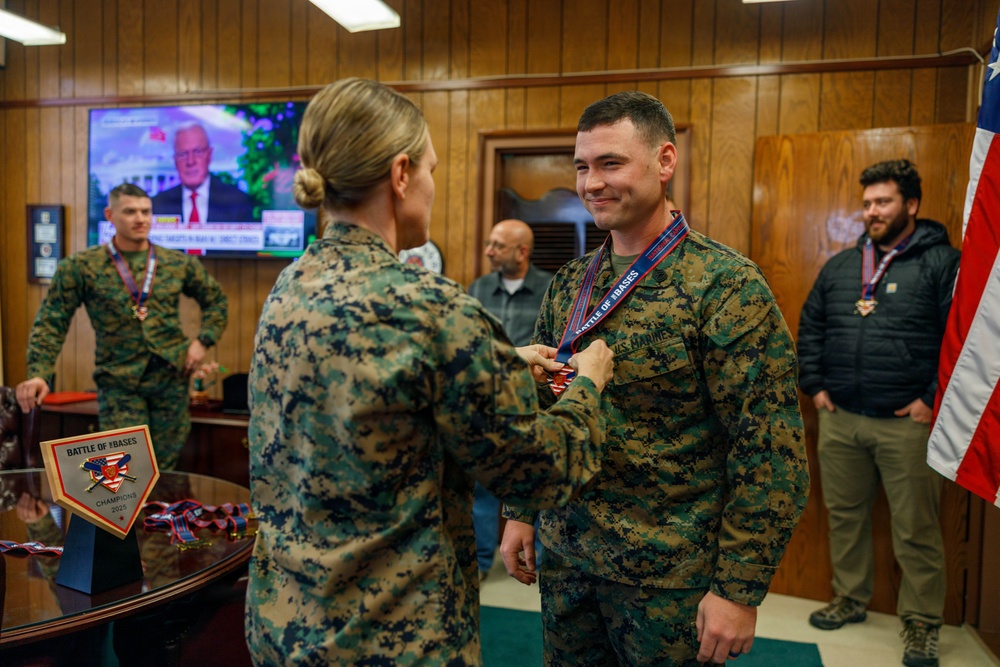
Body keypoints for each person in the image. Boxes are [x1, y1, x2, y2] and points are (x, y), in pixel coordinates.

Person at [244, 77, 615, 666]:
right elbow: (542, 472)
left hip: (286, 621)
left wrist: (497, 364)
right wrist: (588, 385)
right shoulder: (431, 308)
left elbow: (376, 395)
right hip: (393, 636)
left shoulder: (293, 284)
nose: (433, 185)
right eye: (432, 170)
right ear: (400, 174)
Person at [500, 90, 810, 666]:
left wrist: (738, 588)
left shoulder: (725, 286)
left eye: (611, 163)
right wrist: (521, 510)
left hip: (669, 579)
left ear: (665, 161)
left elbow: (768, 450)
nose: (592, 183)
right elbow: (538, 405)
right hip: (568, 562)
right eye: (582, 167)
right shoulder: (569, 284)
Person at [797, 159, 959, 667]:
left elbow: (960, 339)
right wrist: (815, 387)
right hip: (841, 418)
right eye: (867, 203)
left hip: (907, 424)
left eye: (883, 202)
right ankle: (850, 598)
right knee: (845, 517)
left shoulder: (943, 263)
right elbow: (811, 327)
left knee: (915, 528)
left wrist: (931, 398)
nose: (872, 211)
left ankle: (922, 624)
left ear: (911, 205)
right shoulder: (843, 265)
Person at [16, 183, 228, 470]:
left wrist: (202, 342)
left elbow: (216, 301)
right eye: (130, 212)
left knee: (166, 470)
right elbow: (51, 321)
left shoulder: (177, 263)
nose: (140, 219)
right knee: (127, 468)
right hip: (119, 382)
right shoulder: (82, 267)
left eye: (146, 211)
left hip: (170, 380)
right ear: (110, 215)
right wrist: (39, 373)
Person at [468, 219, 553, 579]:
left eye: (497, 245)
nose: (488, 251)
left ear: (522, 252)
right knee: (482, 488)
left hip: (533, 407)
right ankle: (480, 563)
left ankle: (540, 564)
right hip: (487, 405)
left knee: (536, 482)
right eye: (489, 243)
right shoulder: (478, 288)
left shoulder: (550, 288)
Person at [152, 123, 256, 223]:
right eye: (183, 154)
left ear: (209, 155)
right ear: (175, 160)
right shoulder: (158, 205)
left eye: (197, 152)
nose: (190, 161)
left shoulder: (237, 202)